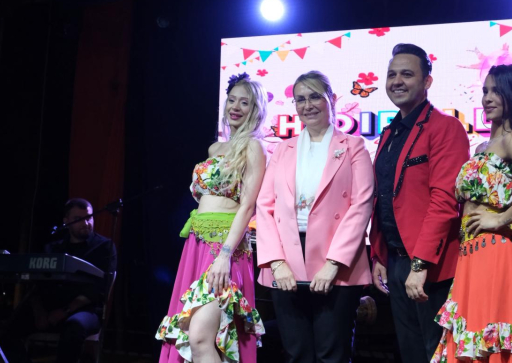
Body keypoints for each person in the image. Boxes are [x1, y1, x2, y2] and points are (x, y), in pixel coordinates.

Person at [433, 64, 512, 362]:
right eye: (485, 91)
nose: (487, 98)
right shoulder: (482, 146)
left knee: (491, 343)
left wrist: (501, 219)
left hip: (497, 254)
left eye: (496, 92)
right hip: (472, 255)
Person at [256, 70, 375, 363]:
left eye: (314, 97)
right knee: (296, 353)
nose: (307, 105)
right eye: (300, 99)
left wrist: (333, 264)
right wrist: (277, 263)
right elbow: (265, 205)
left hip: (337, 261)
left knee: (331, 354)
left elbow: (361, 205)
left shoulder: (354, 146)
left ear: (331, 99)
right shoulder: (283, 149)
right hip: (285, 261)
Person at [368, 43, 470, 363]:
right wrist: (379, 254)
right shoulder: (389, 133)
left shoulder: (446, 127)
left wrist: (420, 264)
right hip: (396, 262)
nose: (397, 81)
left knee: (437, 354)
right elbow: (383, 196)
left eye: (407, 74)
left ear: (427, 81)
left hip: (431, 265)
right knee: (410, 354)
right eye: (391, 75)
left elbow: (444, 201)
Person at [157, 73, 267, 363]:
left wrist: (225, 255)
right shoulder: (215, 149)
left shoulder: (253, 147)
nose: (236, 107)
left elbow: (248, 206)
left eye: (244, 102)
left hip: (224, 246)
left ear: (255, 109)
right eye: (232, 100)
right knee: (191, 337)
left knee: (199, 337)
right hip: (197, 245)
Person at [0, 198, 117, 363]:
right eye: (79, 219)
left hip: (85, 309)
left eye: (89, 217)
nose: (86, 223)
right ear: (66, 221)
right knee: (6, 330)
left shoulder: (104, 247)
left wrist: (65, 310)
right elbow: (36, 284)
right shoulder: (53, 248)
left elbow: (99, 289)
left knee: (74, 328)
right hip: (50, 308)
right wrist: (39, 311)